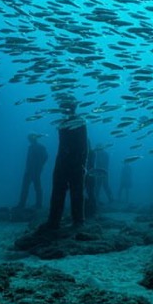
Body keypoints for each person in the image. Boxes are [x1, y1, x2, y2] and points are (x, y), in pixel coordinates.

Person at [45, 94, 88, 229]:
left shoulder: (79, 122)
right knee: (59, 192)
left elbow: (83, 146)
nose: (63, 108)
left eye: (65, 106)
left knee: (76, 193)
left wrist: (82, 164)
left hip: (74, 163)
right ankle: (54, 221)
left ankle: (77, 221)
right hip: (62, 162)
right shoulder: (62, 122)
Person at [14, 133, 48, 216]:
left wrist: (39, 166)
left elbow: (45, 157)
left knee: (34, 187)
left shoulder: (39, 147)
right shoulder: (33, 147)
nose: (29, 139)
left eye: (30, 138)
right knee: (29, 187)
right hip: (30, 170)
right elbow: (44, 158)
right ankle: (24, 204)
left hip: (34, 170)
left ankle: (35, 204)